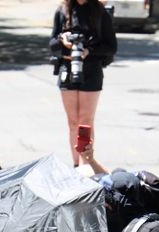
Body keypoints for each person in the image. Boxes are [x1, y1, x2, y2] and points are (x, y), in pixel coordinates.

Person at [49, 0, 116, 166]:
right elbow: (51, 44)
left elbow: (111, 46)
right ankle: (76, 165)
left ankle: (87, 165)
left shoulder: (100, 12)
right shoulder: (62, 11)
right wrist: (62, 41)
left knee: (85, 121)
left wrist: (88, 51)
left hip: (92, 70)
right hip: (68, 69)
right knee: (72, 122)